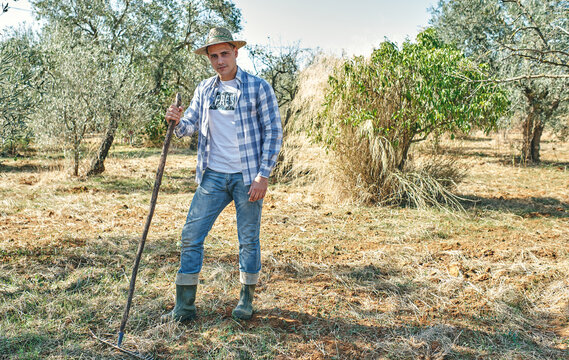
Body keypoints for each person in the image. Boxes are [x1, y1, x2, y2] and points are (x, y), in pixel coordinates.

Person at [162, 27, 282, 321]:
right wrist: (176, 121)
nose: (219, 61)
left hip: (247, 177)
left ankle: (246, 299)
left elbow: (274, 132)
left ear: (235, 53)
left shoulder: (258, 87)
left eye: (224, 53)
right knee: (191, 235)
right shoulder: (205, 89)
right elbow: (189, 125)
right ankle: (184, 307)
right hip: (213, 175)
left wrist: (262, 175)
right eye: (213, 56)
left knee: (248, 239)